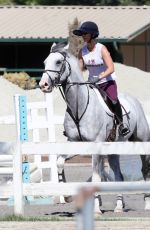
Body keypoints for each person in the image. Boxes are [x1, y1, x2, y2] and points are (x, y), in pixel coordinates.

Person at [73, 21, 129, 136]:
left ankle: (121, 124)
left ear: (92, 35)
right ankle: (75, 125)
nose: (83, 36)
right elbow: (79, 69)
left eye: (85, 34)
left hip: (107, 82)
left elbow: (111, 68)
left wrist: (98, 78)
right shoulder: (82, 51)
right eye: (82, 34)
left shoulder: (102, 49)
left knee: (113, 100)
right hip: (91, 83)